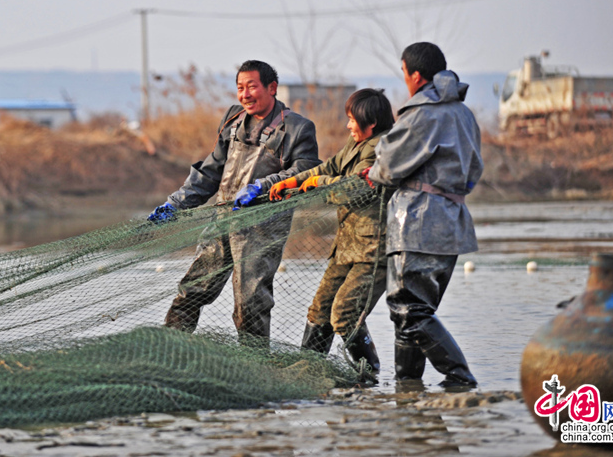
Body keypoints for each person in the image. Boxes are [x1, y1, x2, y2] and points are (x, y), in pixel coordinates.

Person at [149, 60, 320, 346]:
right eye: (240, 88)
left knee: (250, 306)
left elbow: (305, 172)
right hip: (222, 224)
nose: (245, 94)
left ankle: (255, 367)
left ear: (272, 88)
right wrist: (176, 203)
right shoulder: (233, 119)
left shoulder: (298, 128)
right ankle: (169, 350)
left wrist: (262, 186)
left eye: (252, 87)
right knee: (192, 290)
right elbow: (210, 171)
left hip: (261, 232)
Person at [364, 41, 482, 387]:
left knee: (407, 309)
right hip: (452, 223)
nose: (404, 81)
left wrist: (377, 162)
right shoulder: (464, 114)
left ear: (415, 75)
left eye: (403, 73)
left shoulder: (423, 113)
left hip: (417, 221)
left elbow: (386, 167)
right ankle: (408, 387)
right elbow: (474, 171)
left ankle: (460, 378)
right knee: (414, 313)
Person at [269, 88, 395, 374]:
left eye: (352, 120)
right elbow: (326, 169)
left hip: (373, 251)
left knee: (345, 314)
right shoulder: (355, 145)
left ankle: (369, 375)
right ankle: (308, 369)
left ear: (371, 123)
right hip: (346, 247)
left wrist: (319, 184)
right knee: (320, 310)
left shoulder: (382, 149)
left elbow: (355, 189)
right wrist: (291, 183)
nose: (348, 125)